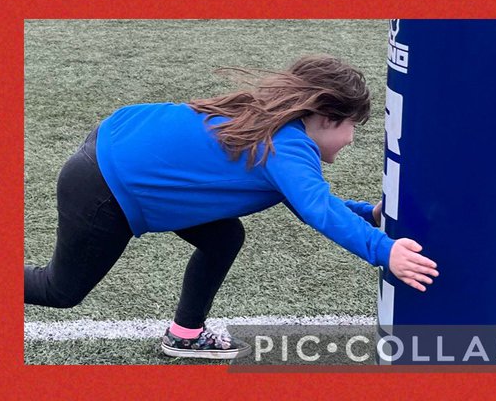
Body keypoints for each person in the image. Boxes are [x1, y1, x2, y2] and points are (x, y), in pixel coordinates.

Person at [24, 56, 439, 360]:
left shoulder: (275, 124)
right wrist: (385, 251)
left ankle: (185, 334)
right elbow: (317, 210)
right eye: (353, 126)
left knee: (224, 236)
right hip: (106, 185)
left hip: (113, 147)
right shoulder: (289, 147)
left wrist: (369, 215)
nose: (351, 139)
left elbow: (308, 200)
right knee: (59, 290)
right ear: (327, 117)